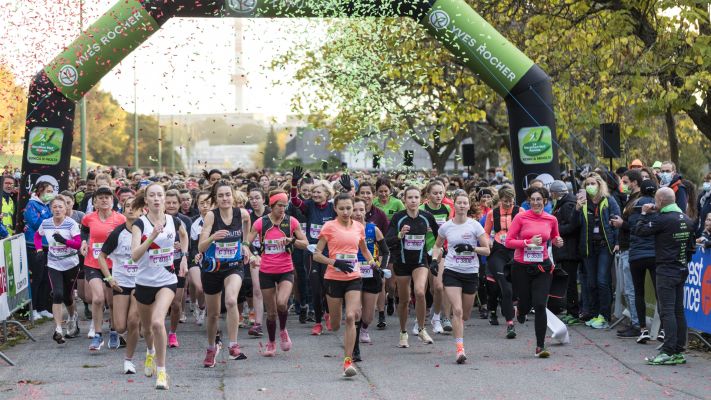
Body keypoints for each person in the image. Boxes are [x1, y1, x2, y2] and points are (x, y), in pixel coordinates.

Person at [312, 193, 377, 377]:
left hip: (353, 277)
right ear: (335, 209)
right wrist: (334, 262)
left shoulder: (358, 227)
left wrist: (374, 265)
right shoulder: (329, 227)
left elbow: (364, 250)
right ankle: (331, 316)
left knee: (350, 316)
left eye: (349, 208)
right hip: (333, 278)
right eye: (342, 208)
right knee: (335, 324)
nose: (346, 212)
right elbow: (316, 254)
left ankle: (348, 361)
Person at [130, 183, 187, 389]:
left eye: (159, 195)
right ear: (146, 200)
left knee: (157, 323)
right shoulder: (140, 224)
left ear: (164, 199)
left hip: (167, 280)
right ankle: (150, 352)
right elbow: (135, 256)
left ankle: (162, 373)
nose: (156, 199)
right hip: (144, 282)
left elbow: (184, 235)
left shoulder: (174, 220)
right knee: (147, 329)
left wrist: (185, 257)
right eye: (151, 195)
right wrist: (152, 237)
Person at [633, 187, 695, 365]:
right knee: (678, 311)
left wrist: (644, 214)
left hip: (666, 270)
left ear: (659, 201)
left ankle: (668, 350)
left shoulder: (662, 219)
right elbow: (691, 248)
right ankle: (678, 350)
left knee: (666, 311)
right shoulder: (687, 219)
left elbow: (640, 231)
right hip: (681, 269)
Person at [245, 190, 308, 357]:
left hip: (286, 270)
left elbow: (305, 243)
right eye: (279, 205)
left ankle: (284, 330)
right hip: (266, 271)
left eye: (285, 205)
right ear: (271, 206)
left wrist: (292, 240)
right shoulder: (260, 223)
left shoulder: (292, 222)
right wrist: (252, 255)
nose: (283, 209)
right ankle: (271, 342)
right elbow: (245, 243)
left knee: (281, 303)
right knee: (271, 311)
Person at [505, 186, 564, 358]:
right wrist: (527, 242)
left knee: (540, 304)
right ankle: (521, 310)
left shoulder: (551, 219)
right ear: (529, 201)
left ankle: (540, 346)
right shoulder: (520, 217)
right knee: (525, 302)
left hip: (542, 267)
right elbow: (508, 242)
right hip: (521, 266)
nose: (536, 202)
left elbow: (554, 237)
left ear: (545, 201)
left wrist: (557, 241)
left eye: (540, 199)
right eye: (533, 199)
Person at [431, 192, 490, 364]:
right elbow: (437, 245)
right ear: (454, 206)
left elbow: (486, 250)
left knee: (464, 314)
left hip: (471, 272)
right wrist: (435, 260)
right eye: (459, 203)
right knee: (456, 310)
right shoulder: (446, 227)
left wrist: (471, 249)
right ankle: (459, 349)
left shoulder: (475, 226)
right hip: (452, 270)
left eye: (465, 203)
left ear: (468, 205)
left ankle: (459, 328)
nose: (462, 206)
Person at [198, 181, 252, 367]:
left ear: (233, 195)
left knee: (230, 300)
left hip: (234, 265)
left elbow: (247, 224)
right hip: (212, 268)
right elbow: (201, 246)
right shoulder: (211, 217)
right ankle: (212, 348)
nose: (225, 199)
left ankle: (234, 346)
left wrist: (245, 245)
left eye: (228, 194)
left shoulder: (242, 213)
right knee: (213, 314)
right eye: (220, 196)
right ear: (216, 198)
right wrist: (213, 237)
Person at [386, 186, 439, 348]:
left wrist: (437, 254)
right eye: (410, 198)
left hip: (420, 261)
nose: (413, 201)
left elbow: (440, 237)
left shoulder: (427, 217)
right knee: (404, 300)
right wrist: (400, 235)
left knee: (420, 292)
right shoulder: (398, 217)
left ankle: (422, 329)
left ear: (421, 199)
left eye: (416, 197)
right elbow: (388, 241)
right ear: (405, 200)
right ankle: (403, 332)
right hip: (401, 262)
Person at [97, 196, 141, 374]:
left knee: (133, 321)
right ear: (123, 210)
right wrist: (109, 278)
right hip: (121, 282)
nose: (130, 209)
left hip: (140, 282)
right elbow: (101, 257)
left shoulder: (147, 231)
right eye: (127, 206)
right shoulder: (117, 233)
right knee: (120, 326)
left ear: (142, 210)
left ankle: (130, 359)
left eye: (134, 206)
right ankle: (129, 335)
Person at [290, 166, 336, 336]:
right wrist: (294, 183)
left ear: (327, 195)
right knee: (316, 287)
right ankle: (317, 322)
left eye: (319, 193)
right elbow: (295, 201)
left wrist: (346, 189)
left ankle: (328, 314)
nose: (315, 195)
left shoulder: (333, 208)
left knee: (327, 287)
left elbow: (349, 204)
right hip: (313, 252)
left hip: (330, 253)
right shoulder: (309, 206)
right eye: (314, 193)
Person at [81, 186, 127, 350]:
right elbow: (84, 232)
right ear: (95, 202)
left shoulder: (120, 219)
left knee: (113, 302)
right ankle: (98, 335)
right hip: (93, 263)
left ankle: (114, 332)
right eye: (100, 197)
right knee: (98, 298)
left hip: (114, 266)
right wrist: (84, 241)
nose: (104, 200)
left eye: (107, 197)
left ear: (113, 200)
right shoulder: (88, 218)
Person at [35, 197, 82, 343]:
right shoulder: (46, 223)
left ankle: (73, 317)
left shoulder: (70, 223)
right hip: (54, 263)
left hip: (71, 264)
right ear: (51, 209)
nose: (57, 209)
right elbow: (37, 236)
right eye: (54, 207)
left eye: (60, 207)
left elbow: (78, 244)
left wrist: (64, 240)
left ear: (65, 209)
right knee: (57, 294)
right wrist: (38, 250)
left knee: (67, 296)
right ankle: (58, 329)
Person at [576, 173, 620, 329]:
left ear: (600, 185)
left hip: (605, 246)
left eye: (593, 183)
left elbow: (617, 221)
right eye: (587, 184)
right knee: (591, 282)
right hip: (589, 247)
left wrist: (617, 241)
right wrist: (577, 209)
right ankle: (595, 314)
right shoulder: (583, 203)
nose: (590, 186)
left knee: (602, 281)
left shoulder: (609, 201)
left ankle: (605, 315)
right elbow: (576, 225)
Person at [351, 197, 390, 361]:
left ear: (366, 211)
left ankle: (364, 328)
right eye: (355, 210)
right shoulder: (345, 230)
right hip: (353, 274)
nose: (358, 213)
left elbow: (385, 251)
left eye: (361, 210)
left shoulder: (373, 229)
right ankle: (355, 346)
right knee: (356, 312)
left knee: (368, 316)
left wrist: (380, 268)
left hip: (371, 274)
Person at [482, 185, 518, 337]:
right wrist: (487, 242)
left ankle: (510, 309)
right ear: (500, 200)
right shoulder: (492, 213)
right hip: (498, 252)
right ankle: (509, 324)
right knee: (502, 287)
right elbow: (485, 233)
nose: (508, 204)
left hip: (515, 251)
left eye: (511, 201)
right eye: (505, 201)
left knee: (513, 287)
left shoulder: (519, 212)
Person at [420, 180, 452, 335]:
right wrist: (422, 228)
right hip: (422, 251)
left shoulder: (447, 209)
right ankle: (426, 315)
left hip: (440, 251)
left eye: (441, 193)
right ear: (428, 195)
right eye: (435, 193)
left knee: (439, 287)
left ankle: (438, 318)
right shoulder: (421, 209)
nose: (438, 195)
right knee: (430, 289)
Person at [548, 181, 582, 325]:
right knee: (568, 283)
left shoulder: (567, 205)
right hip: (564, 250)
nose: (551, 196)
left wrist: (556, 230)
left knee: (571, 283)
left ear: (556, 193)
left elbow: (573, 226)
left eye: (552, 193)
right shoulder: (562, 205)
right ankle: (571, 311)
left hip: (569, 251)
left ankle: (573, 313)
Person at [164, 189, 192, 348]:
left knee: (175, 303)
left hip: (178, 263)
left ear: (179, 204)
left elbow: (190, 244)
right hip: (160, 265)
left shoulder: (185, 221)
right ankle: (158, 329)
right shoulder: (156, 220)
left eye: (174, 202)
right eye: (168, 202)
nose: (171, 205)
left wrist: (182, 249)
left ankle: (172, 333)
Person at [24, 181, 54, 320]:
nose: (50, 194)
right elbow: (36, 224)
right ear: (40, 191)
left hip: (47, 246)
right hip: (34, 246)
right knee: (36, 278)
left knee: (44, 278)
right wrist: (50, 219)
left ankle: (42, 308)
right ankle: (33, 309)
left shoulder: (46, 206)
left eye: (51, 191)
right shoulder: (32, 205)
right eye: (48, 191)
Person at [245, 187, 269, 337]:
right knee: (257, 289)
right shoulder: (248, 217)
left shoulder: (272, 215)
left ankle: (275, 318)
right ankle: (258, 324)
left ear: (263, 200)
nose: (254, 201)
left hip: (275, 256)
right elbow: (246, 240)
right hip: (256, 256)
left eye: (257, 198)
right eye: (251, 198)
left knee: (274, 293)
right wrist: (253, 254)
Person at [188, 191, 211, 326]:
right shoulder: (194, 223)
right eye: (202, 203)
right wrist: (198, 254)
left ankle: (209, 310)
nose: (205, 206)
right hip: (196, 258)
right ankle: (201, 307)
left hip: (214, 258)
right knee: (200, 288)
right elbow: (193, 246)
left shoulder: (219, 220)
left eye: (208, 202)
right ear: (197, 205)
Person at [696, 172, 711, 236]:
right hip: (701, 232)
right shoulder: (702, 196)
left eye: (709, 180)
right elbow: (697, 213)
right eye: (706, 181)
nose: (706, 183)